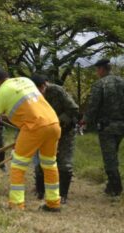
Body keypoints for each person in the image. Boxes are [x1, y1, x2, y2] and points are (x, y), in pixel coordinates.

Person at [0, 67, 61, 212]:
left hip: (33, 127)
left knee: (18, 165)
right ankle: (53, 203)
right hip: (53, 124)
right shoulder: (25, 81)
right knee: (49, 164)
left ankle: (17, 205)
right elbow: (25, 107)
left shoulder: (0, 94)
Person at [30, 74, 79, 204]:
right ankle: (41, 191)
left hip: (65, 130)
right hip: (45, 131)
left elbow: (73, 109)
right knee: (41, 161)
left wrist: (56, 122)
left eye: (39, 90)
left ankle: (62, 195)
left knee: (64, 163)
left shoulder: (57, 91)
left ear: (44, 86)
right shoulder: (31, 96)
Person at [84, 58, 124, 197]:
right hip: (121, 125)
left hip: (107, 127)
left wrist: (85, 121)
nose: (96, 72)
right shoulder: (121, 81)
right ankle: (110, 186)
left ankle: (116, 188)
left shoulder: (100, 84)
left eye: (97, 69)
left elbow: (93, 106)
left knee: (109, 158)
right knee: (113, 155)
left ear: (101, 69)